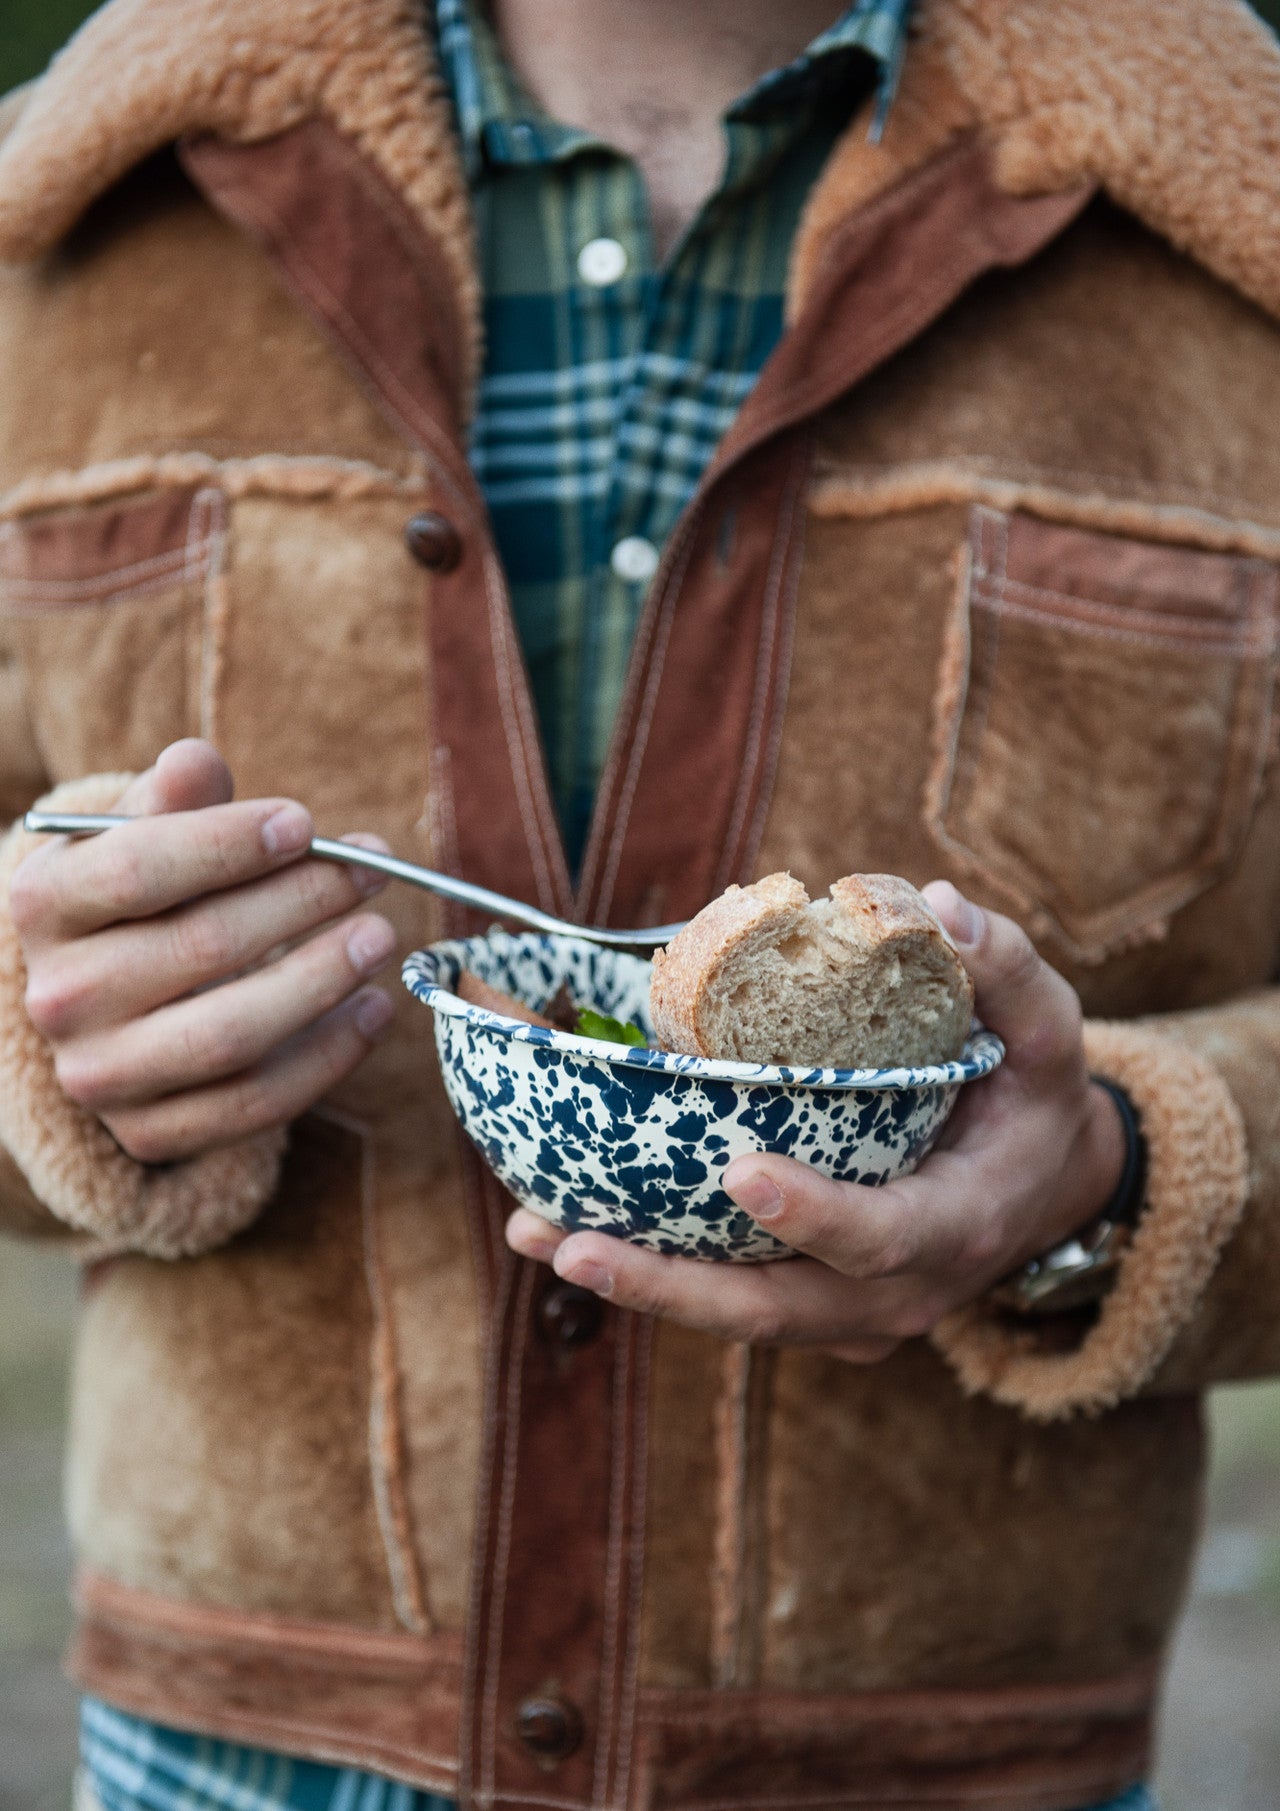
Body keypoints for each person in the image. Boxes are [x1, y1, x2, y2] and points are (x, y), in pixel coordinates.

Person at [0, 0, 1277, 1807]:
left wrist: (1106, 1180)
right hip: (252, 1745)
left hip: (939, 1753)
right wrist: (39, 1030)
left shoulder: (1237, 223)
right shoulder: (63, 218)